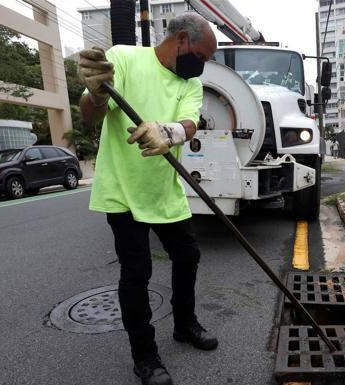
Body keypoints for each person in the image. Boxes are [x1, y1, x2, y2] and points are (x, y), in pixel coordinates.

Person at [78, 13, 217, 385]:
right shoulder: (123, 57)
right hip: (122, 191)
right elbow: (91, 117)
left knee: (188, 255)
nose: (202, 65)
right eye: (202, 56)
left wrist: (168, 131)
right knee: (137, 273)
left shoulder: (189, 83)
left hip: (165, 189)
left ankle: (185, 325)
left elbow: (190, 124)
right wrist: (95, 92)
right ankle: (146, 357)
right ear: (183, 40)